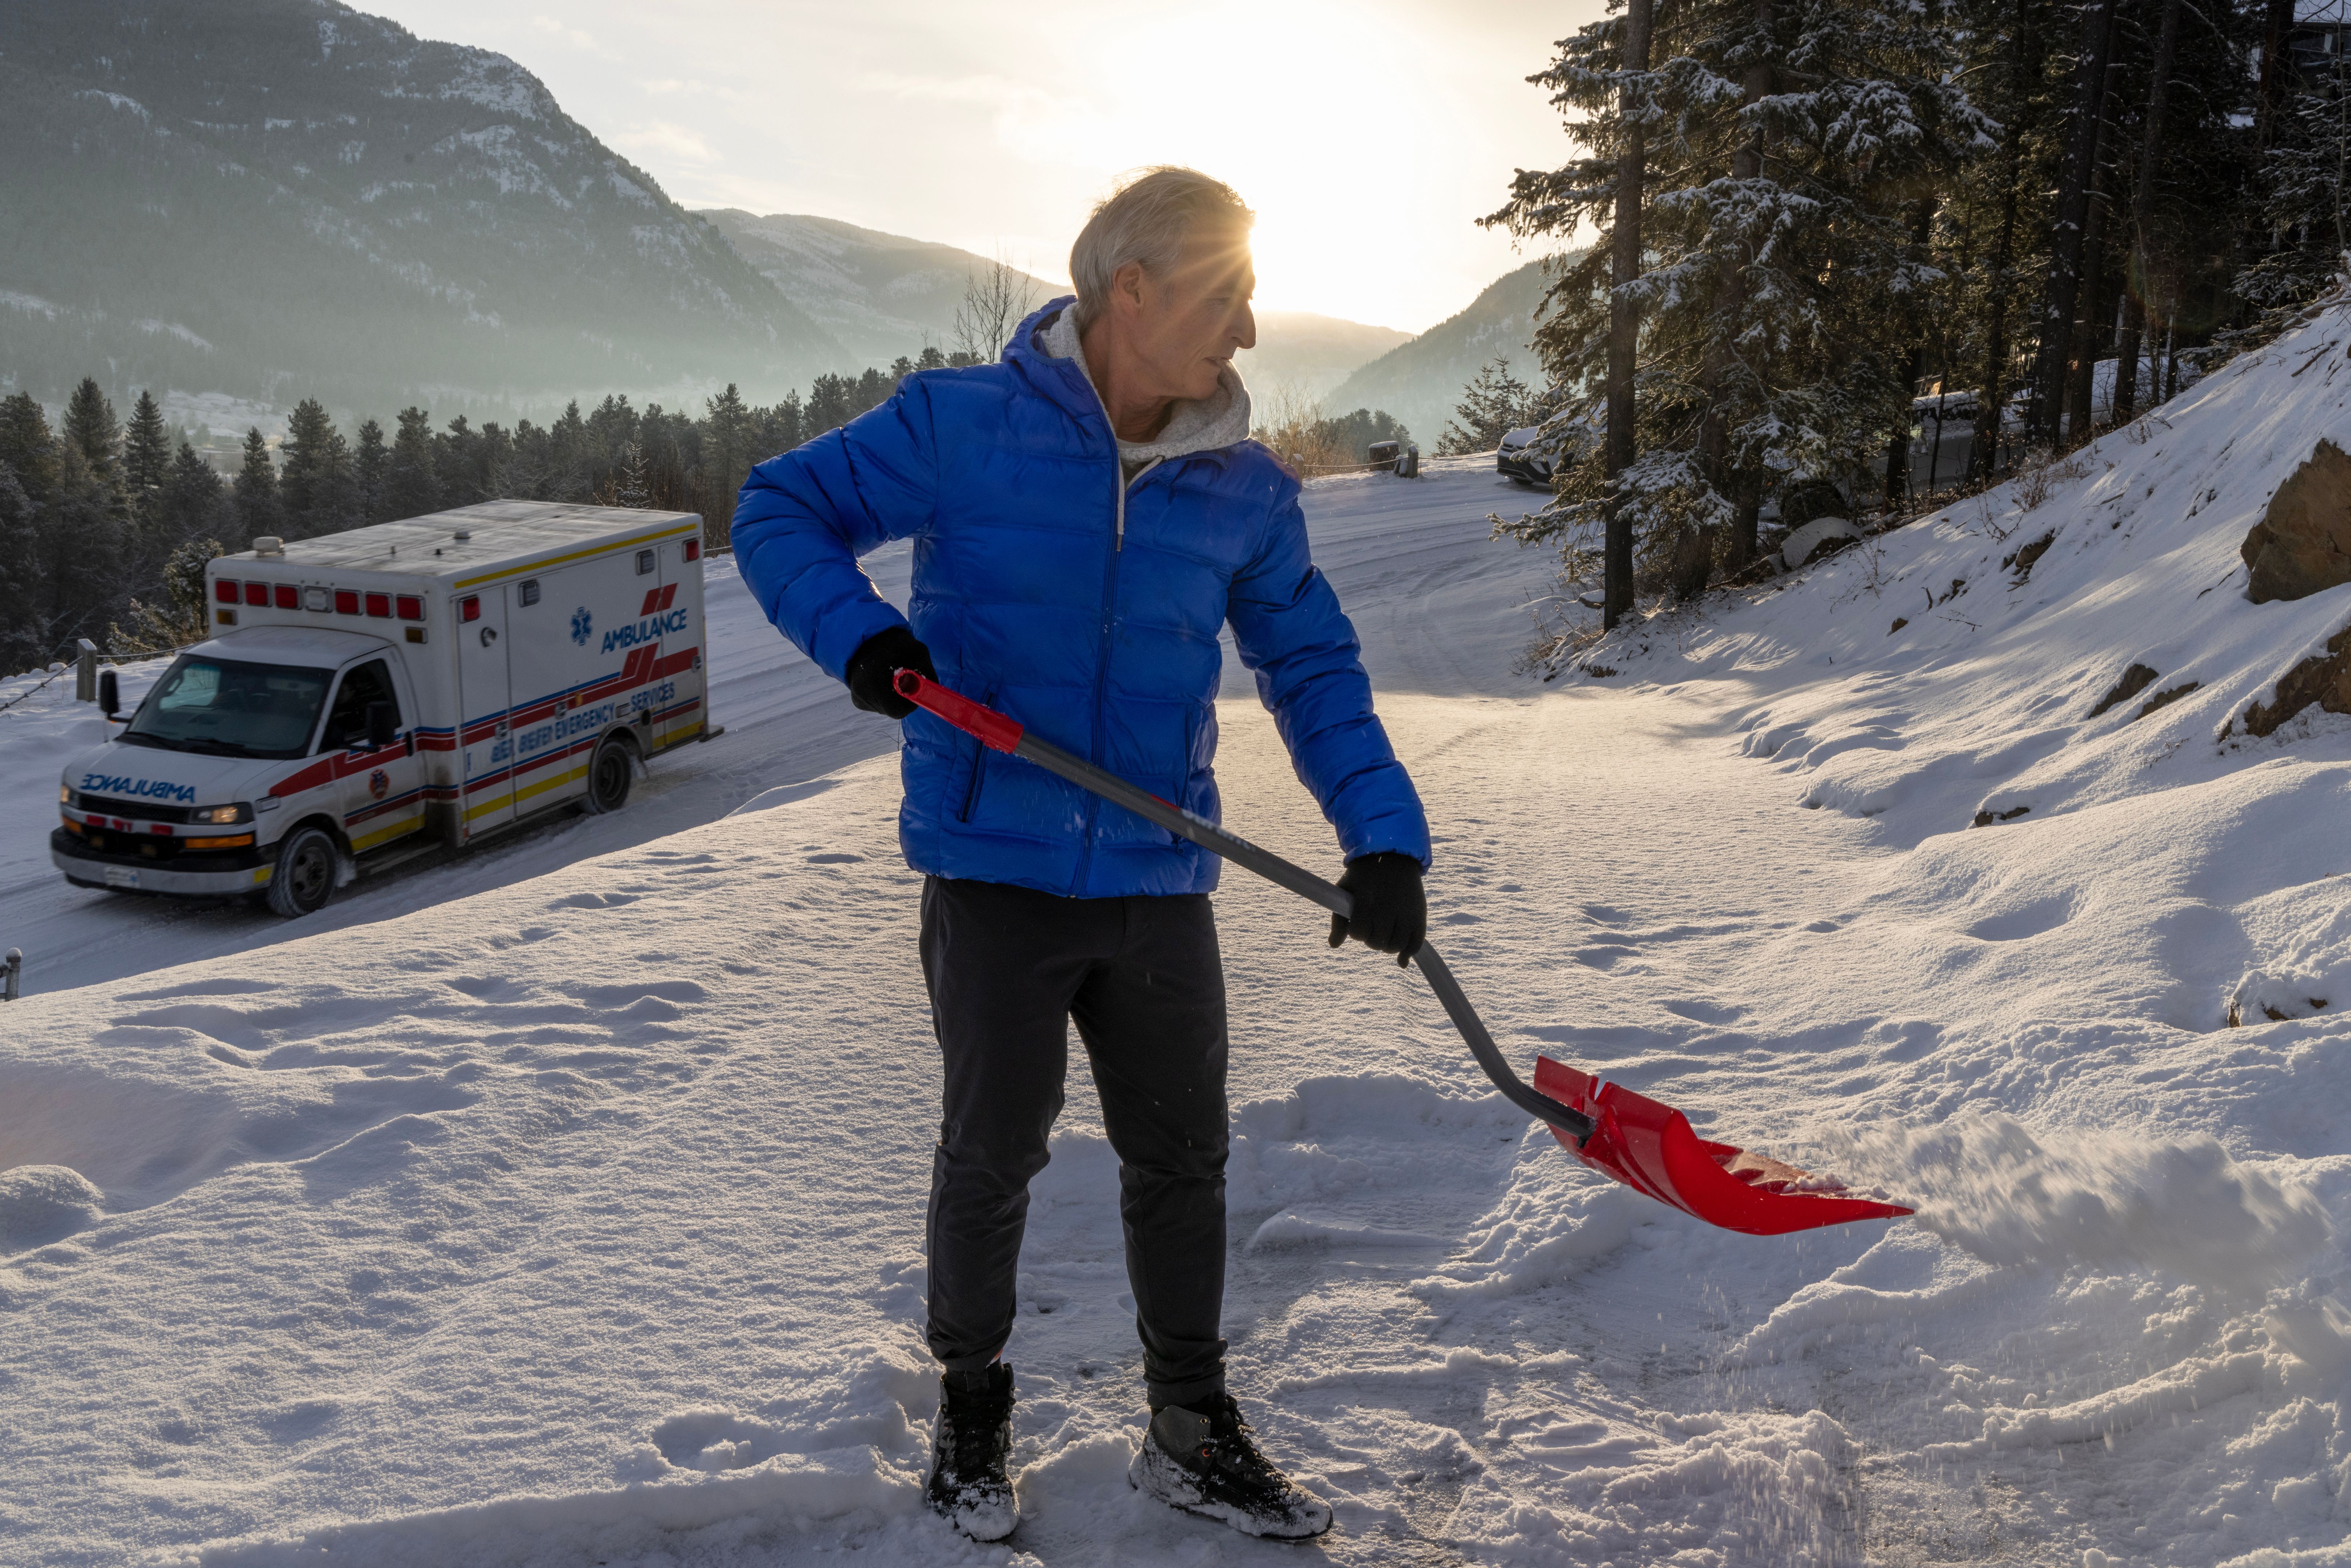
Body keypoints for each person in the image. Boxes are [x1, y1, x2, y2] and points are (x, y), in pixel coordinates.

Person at [732, 166, 1430, 1543]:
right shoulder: (962, 425)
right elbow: (776, 511)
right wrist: (864, 643)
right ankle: (973, 1408)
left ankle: (1188, 1419)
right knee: (992, 1151)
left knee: (1183, 1158)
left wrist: (1384, 841)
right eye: (1225, 297)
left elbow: (1315, 667)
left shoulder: (1242, 489)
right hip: (995, 866)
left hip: (1156, 883)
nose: (1245, 332)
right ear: (1133, 290)